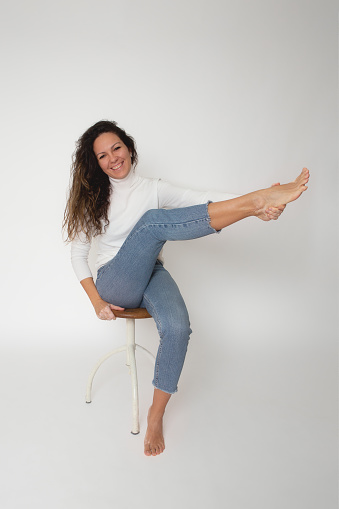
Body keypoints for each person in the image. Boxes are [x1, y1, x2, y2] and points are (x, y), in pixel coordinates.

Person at [63, 120, 309, 457]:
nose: (112, 158)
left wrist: (260, 211)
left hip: (151, 271)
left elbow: (205, 201)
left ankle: (156, 414)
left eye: (116, 148)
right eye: (102, 155)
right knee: (152, 223)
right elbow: (78, 254)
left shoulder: (154, 188)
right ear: (97, 163)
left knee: (178, 328)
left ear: (129, 148)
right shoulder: (93, 198)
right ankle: (255, 201)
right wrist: (95, 301)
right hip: (114, 281)